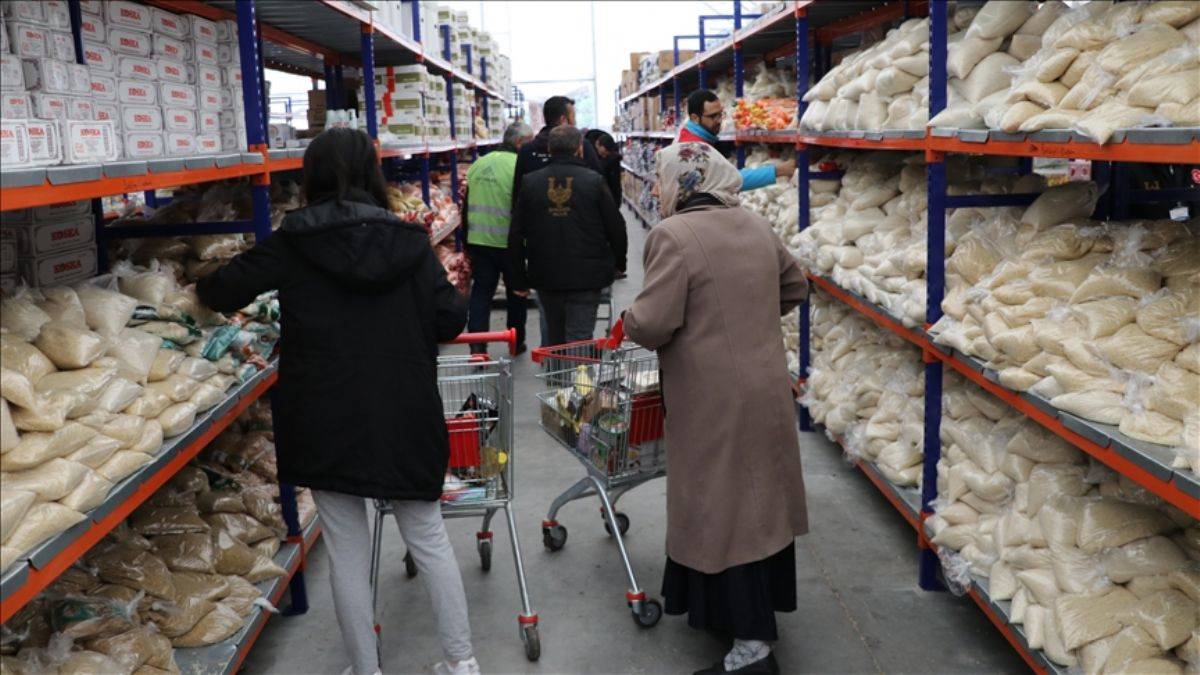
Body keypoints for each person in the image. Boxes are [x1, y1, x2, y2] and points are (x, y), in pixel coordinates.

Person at [196, 128, 479, 675]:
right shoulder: (409, 243)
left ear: (314, 178)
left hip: (325, 414)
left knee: (348, 551)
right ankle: (460, 662)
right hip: (404, 407)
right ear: (372, 176)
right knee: (427, 535)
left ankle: (366, 669)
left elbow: (222, 291)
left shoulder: (294, 240)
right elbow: (450, 317)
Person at [622, 142, 809, 675]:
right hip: (764, 384)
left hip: (711, 396)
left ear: (677, 182)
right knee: (760, 503)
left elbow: (655, 322)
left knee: (723, 509)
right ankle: (747, 619)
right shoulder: (753, 224)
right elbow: (795, 286)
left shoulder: (673, 235)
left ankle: (752, 650)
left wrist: (631, 320)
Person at [509, 125, 627, 345]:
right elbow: (616, 227)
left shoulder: (531, 182)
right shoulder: (594, 181)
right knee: (581, 338)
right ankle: (580, 377)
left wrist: (518, 278)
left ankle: (557, 378)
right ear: (579, 149)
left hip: (546, 275)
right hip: (588, 275)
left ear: (550, 149)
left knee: (555, 339)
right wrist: (619, 263)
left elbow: (516, 232)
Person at [462, 121, 534, 354]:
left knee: (481, 293)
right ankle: (515, 343)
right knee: (516, 292)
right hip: (508, 242)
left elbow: (465, 205)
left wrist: (466, 241)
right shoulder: (519, 166)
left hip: (479, 240)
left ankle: (477, 348)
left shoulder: (478, 164)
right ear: (520, 142)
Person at [677, 89, 795, 192]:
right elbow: (727, 180)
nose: (719, 121)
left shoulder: (691, 135)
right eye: (713, 116)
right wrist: (778, 170)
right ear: (694, 118)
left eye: (720, 114)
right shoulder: (694, 147)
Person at [511, 95, 603, 206]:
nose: (575, 122)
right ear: (563, 120)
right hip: (578, 217)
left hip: (537, 220)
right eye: (573, 117)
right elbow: (600, 186)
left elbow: (518, 195)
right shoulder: (582, 146)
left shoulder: (526, 150)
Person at [585, 128, 623, 206]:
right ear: (597, 144)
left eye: (606, 155)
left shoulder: (613, 154)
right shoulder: (587, 150)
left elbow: (616, 183)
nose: (604, 156)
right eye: (602, 153)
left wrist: (616, 204)